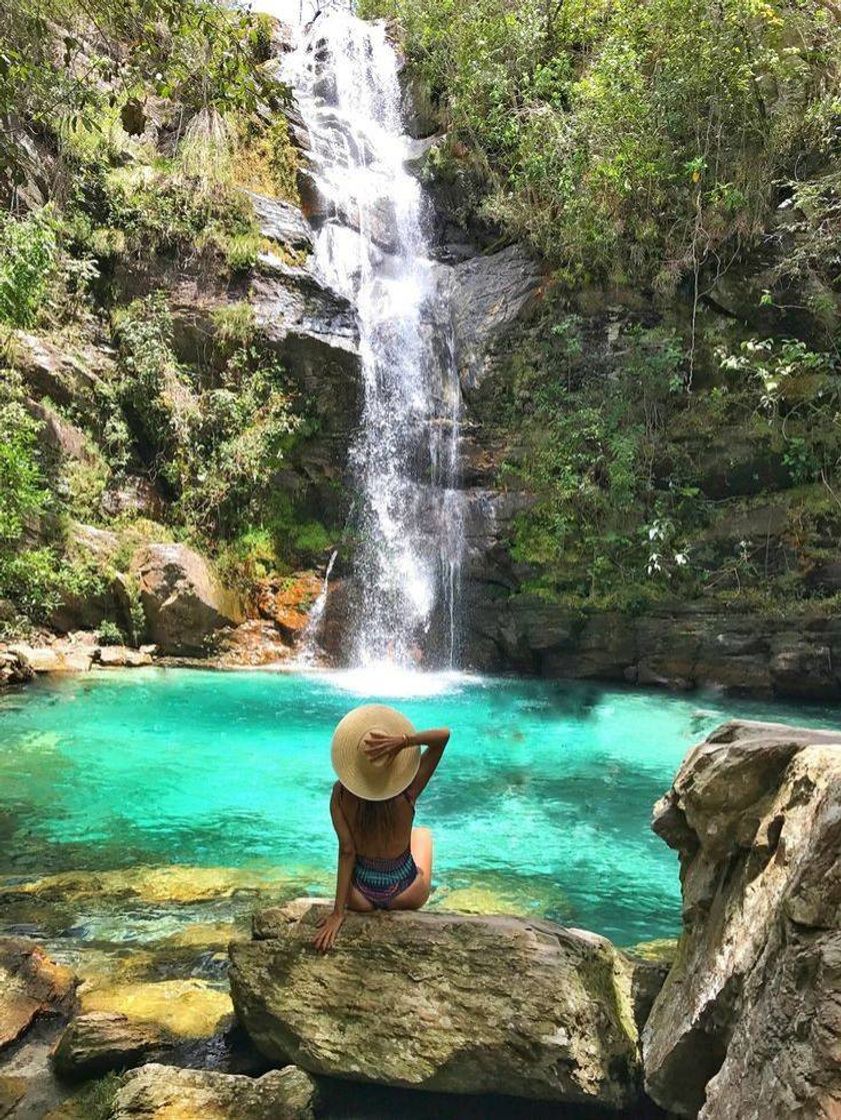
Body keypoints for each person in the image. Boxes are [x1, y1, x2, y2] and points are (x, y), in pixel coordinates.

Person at [313, 703, 450, 952]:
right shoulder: (408, 791)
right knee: (422, 834)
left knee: (354, 851)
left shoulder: (340, 794)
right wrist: (405, 741)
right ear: (393, 762)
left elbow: (347, 852)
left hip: (359, 898)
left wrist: (337, 913)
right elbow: (444, 736)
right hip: (406, 894)